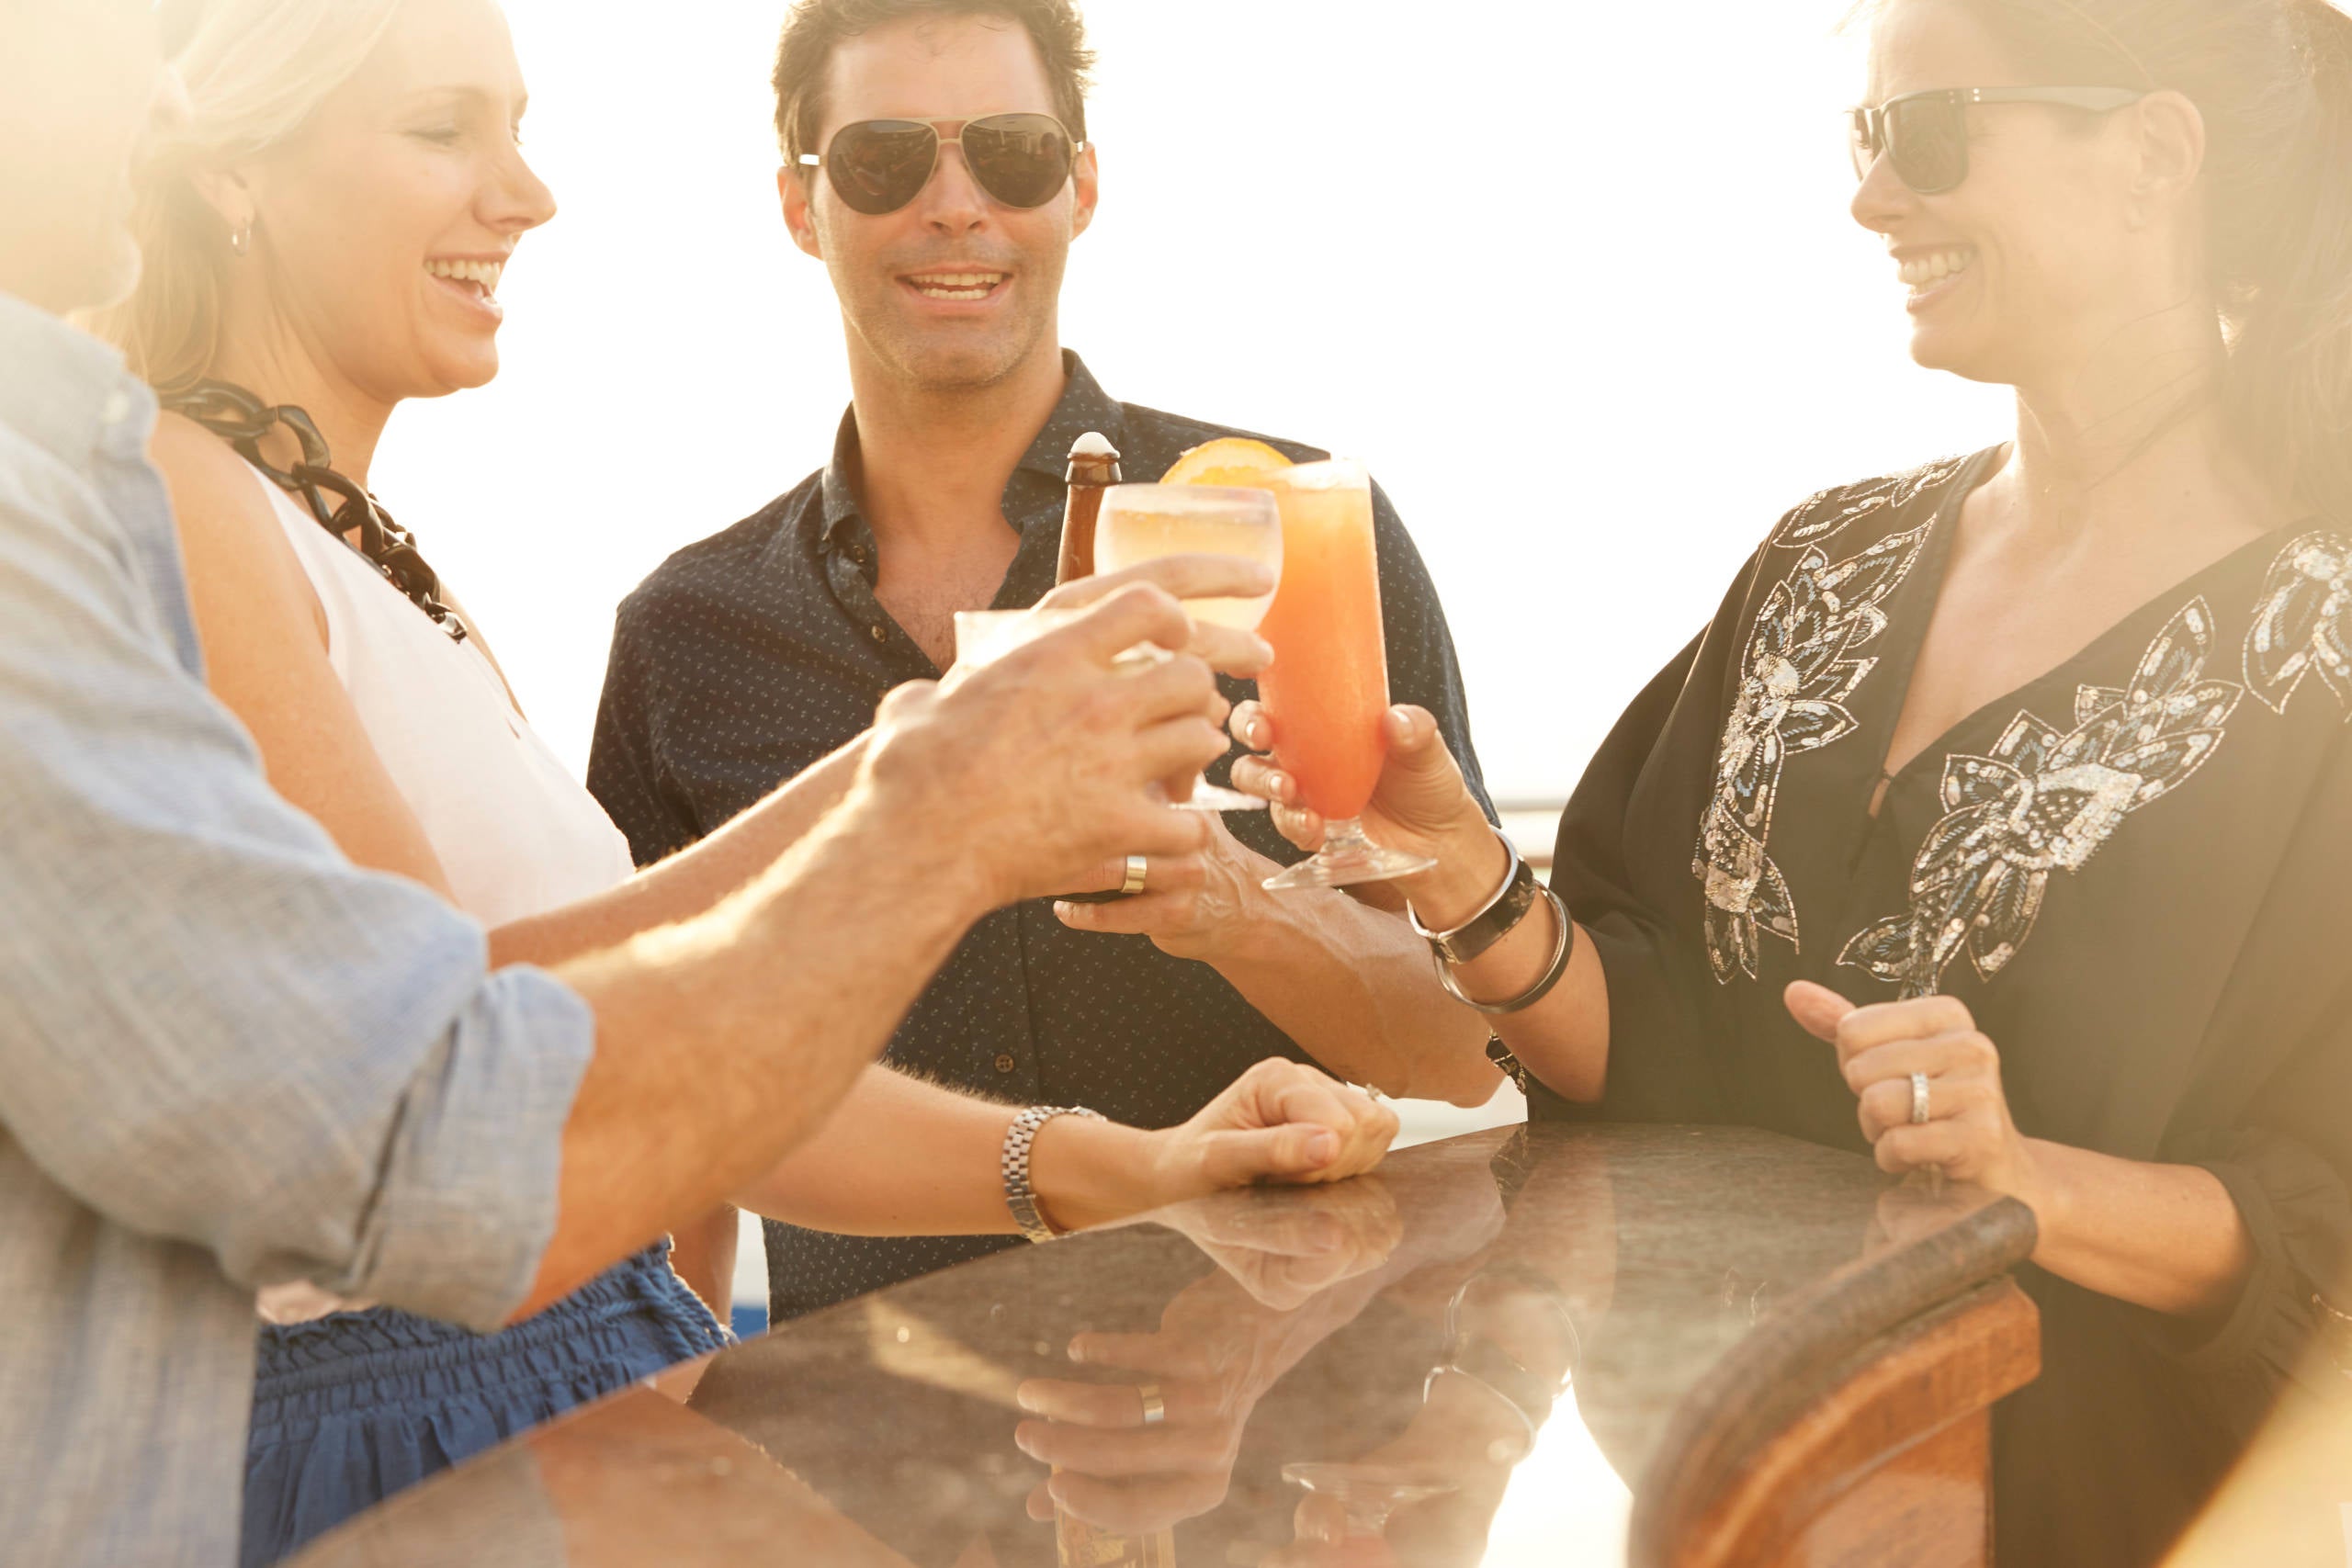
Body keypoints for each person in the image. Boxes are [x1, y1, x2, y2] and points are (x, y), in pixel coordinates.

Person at [0, 6, 1393, 1566]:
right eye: (444, 129)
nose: (527, 194)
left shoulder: (366, 560)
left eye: (517, 131)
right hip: (440, 1439)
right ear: (233, 170)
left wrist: (1117, 1164)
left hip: (593, 1395)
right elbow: (468, 1092)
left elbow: (653, 1047)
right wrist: (934, 791)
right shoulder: (182, 498)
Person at [1234, 0, 2352, 1562]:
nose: (1872, 197)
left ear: (2157, 156)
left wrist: (2029, 1177)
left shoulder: (2329, 653)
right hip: (1746, 1504)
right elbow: (1672, 1041)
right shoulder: (1828, 563)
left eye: (1931, 133)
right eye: (1865, 137)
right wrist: (1463, 877)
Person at [589, 0, 1502, 1327]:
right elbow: (660, 1121)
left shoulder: (1298, 535)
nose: (954, 206)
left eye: (1010, 154)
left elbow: (1472, 1051)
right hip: (858, 1498)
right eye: (884, 161)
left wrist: (1230, 903)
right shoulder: (685, 637)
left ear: (1080, 186)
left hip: (1280, 1479)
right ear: (801, 204)